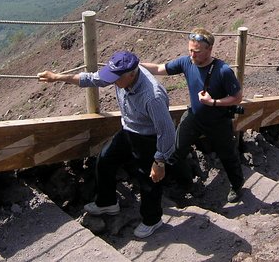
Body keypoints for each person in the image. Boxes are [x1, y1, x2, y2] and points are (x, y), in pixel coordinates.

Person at [37, 50, 176, 239]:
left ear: (132, 75)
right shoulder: (122, 76)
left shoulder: (152, 96)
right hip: (129, 129)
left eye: (115, 78)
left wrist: (159, 161)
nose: (111, 82)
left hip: (148, 138)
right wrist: (58, 77)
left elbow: (166, 131)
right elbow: (93, 79)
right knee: (105, 158)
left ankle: (152, 220)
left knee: (149, 181)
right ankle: (108, 202)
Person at [142, 28, 245, 203]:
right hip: (195, 117)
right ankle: (184, 184)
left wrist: (213, 102)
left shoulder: (223, 70)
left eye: (196, 51)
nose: (192, 54)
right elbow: (160, 68)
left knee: (228, 155)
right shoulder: (186, 62)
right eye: (190, 49)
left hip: (219, 121)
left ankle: (236, 185)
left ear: (209, 50)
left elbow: (237, 97)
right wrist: (135, 64)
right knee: (175, 150)